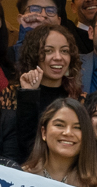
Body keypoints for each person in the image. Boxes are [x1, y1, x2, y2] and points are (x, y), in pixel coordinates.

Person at [8, 22, 86, 161]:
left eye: (64, 51)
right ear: (34, 55)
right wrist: (28, 94)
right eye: (48, 51)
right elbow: (23, 146)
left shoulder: (79, 99)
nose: (58, 57)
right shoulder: (13, 94)